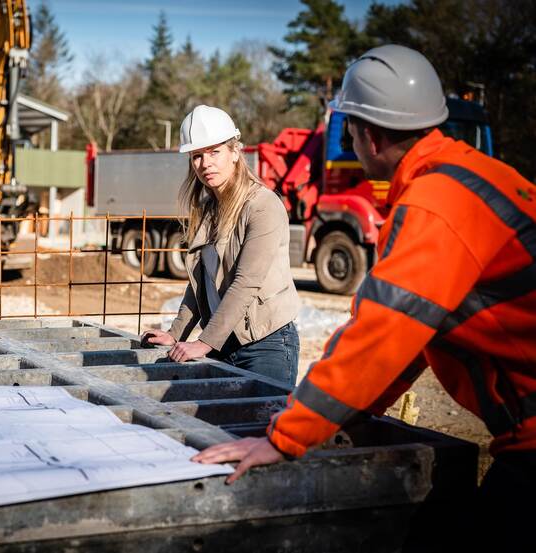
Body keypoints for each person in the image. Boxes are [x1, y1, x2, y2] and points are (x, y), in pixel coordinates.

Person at [192, 45, 536, 548]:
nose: (349, 141)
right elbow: (408, 344)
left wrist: (286, 438)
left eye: (348, 129)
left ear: (369, 134)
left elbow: (378, 334)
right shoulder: (481, 176)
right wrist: (329, 416)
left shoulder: (432, 207)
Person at [142, 105, 301, 386]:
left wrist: (202, 343)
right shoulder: (208, 210)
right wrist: (176, 333)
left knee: (259, 426)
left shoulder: (262, 206)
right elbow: (200, 284)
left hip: (265, 344)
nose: (205, 164)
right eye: (197, 156)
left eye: (214, 152)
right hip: (223, 342)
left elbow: (246, 282)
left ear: (235, 152)